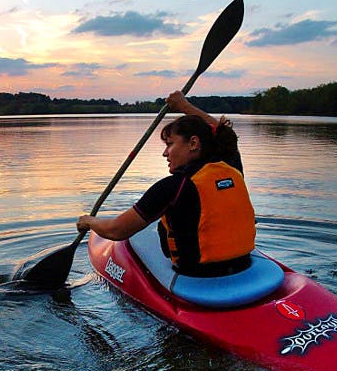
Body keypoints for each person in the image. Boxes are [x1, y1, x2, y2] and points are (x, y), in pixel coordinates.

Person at [76, 91, 256, 277]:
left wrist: (89, 221)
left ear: (193, 143)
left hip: (198, 274)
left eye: (170, 144)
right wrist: (184, 106)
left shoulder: (173, 186)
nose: (165, 153)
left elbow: (117, 231)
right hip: (243, 265)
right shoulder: (231, 167)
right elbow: (224, 134)